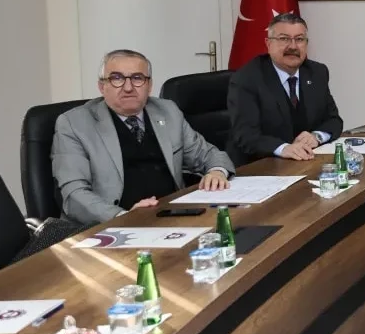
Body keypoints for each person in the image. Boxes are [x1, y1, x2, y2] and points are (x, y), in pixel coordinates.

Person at [52, 49, 233, 227]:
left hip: (173, 217)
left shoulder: (167, 111)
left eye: (137, 78)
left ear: (149, 85)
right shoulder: (74, 124)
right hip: (112, 227)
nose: (128, 88)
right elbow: (74, 195)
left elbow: (208, 154)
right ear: (102, 86)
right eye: (117, 78)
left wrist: (216, 171)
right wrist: (122, 216)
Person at [228, 13, 344, 165]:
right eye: (284, 39)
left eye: (299, 39)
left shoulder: (317, 72)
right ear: (268, 43)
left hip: (305, 163)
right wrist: (283, 148)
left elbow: (334, 120)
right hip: (260, 166)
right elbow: (246, 136)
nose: (293, 46)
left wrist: (316, 136)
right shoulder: (247, 78)